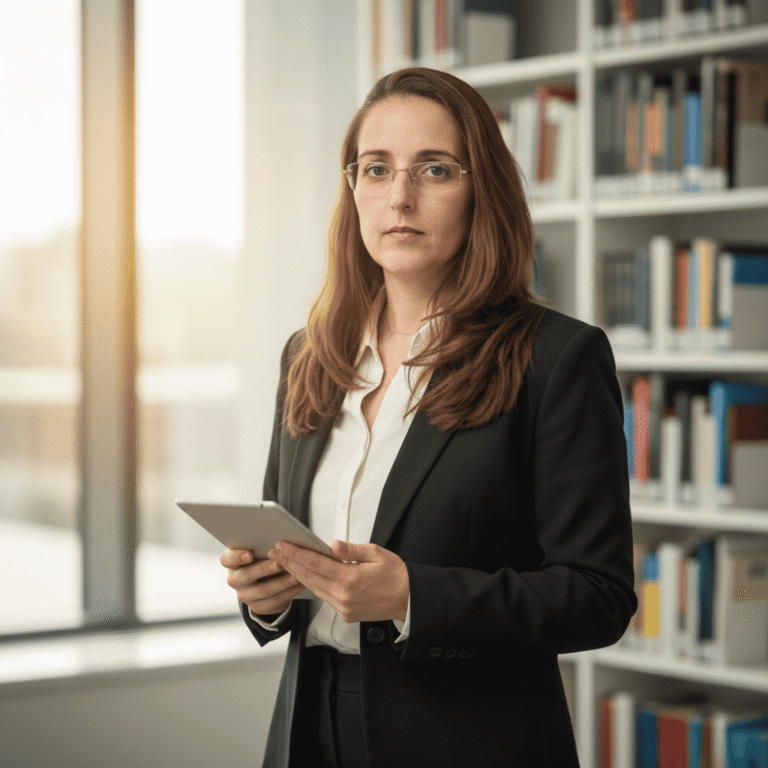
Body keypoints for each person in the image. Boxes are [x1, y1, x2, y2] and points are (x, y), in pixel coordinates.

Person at [221, 67, 637, 768]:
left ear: (483, 192)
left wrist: (413, 594)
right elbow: (288, 550)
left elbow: (598, 597)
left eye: (435, 170)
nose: (400, 197)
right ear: (352, 188)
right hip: (309, 728)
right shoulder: (309, 354)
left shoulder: (557, 359)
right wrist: (266, 594)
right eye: (376, 169)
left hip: (472, 741)